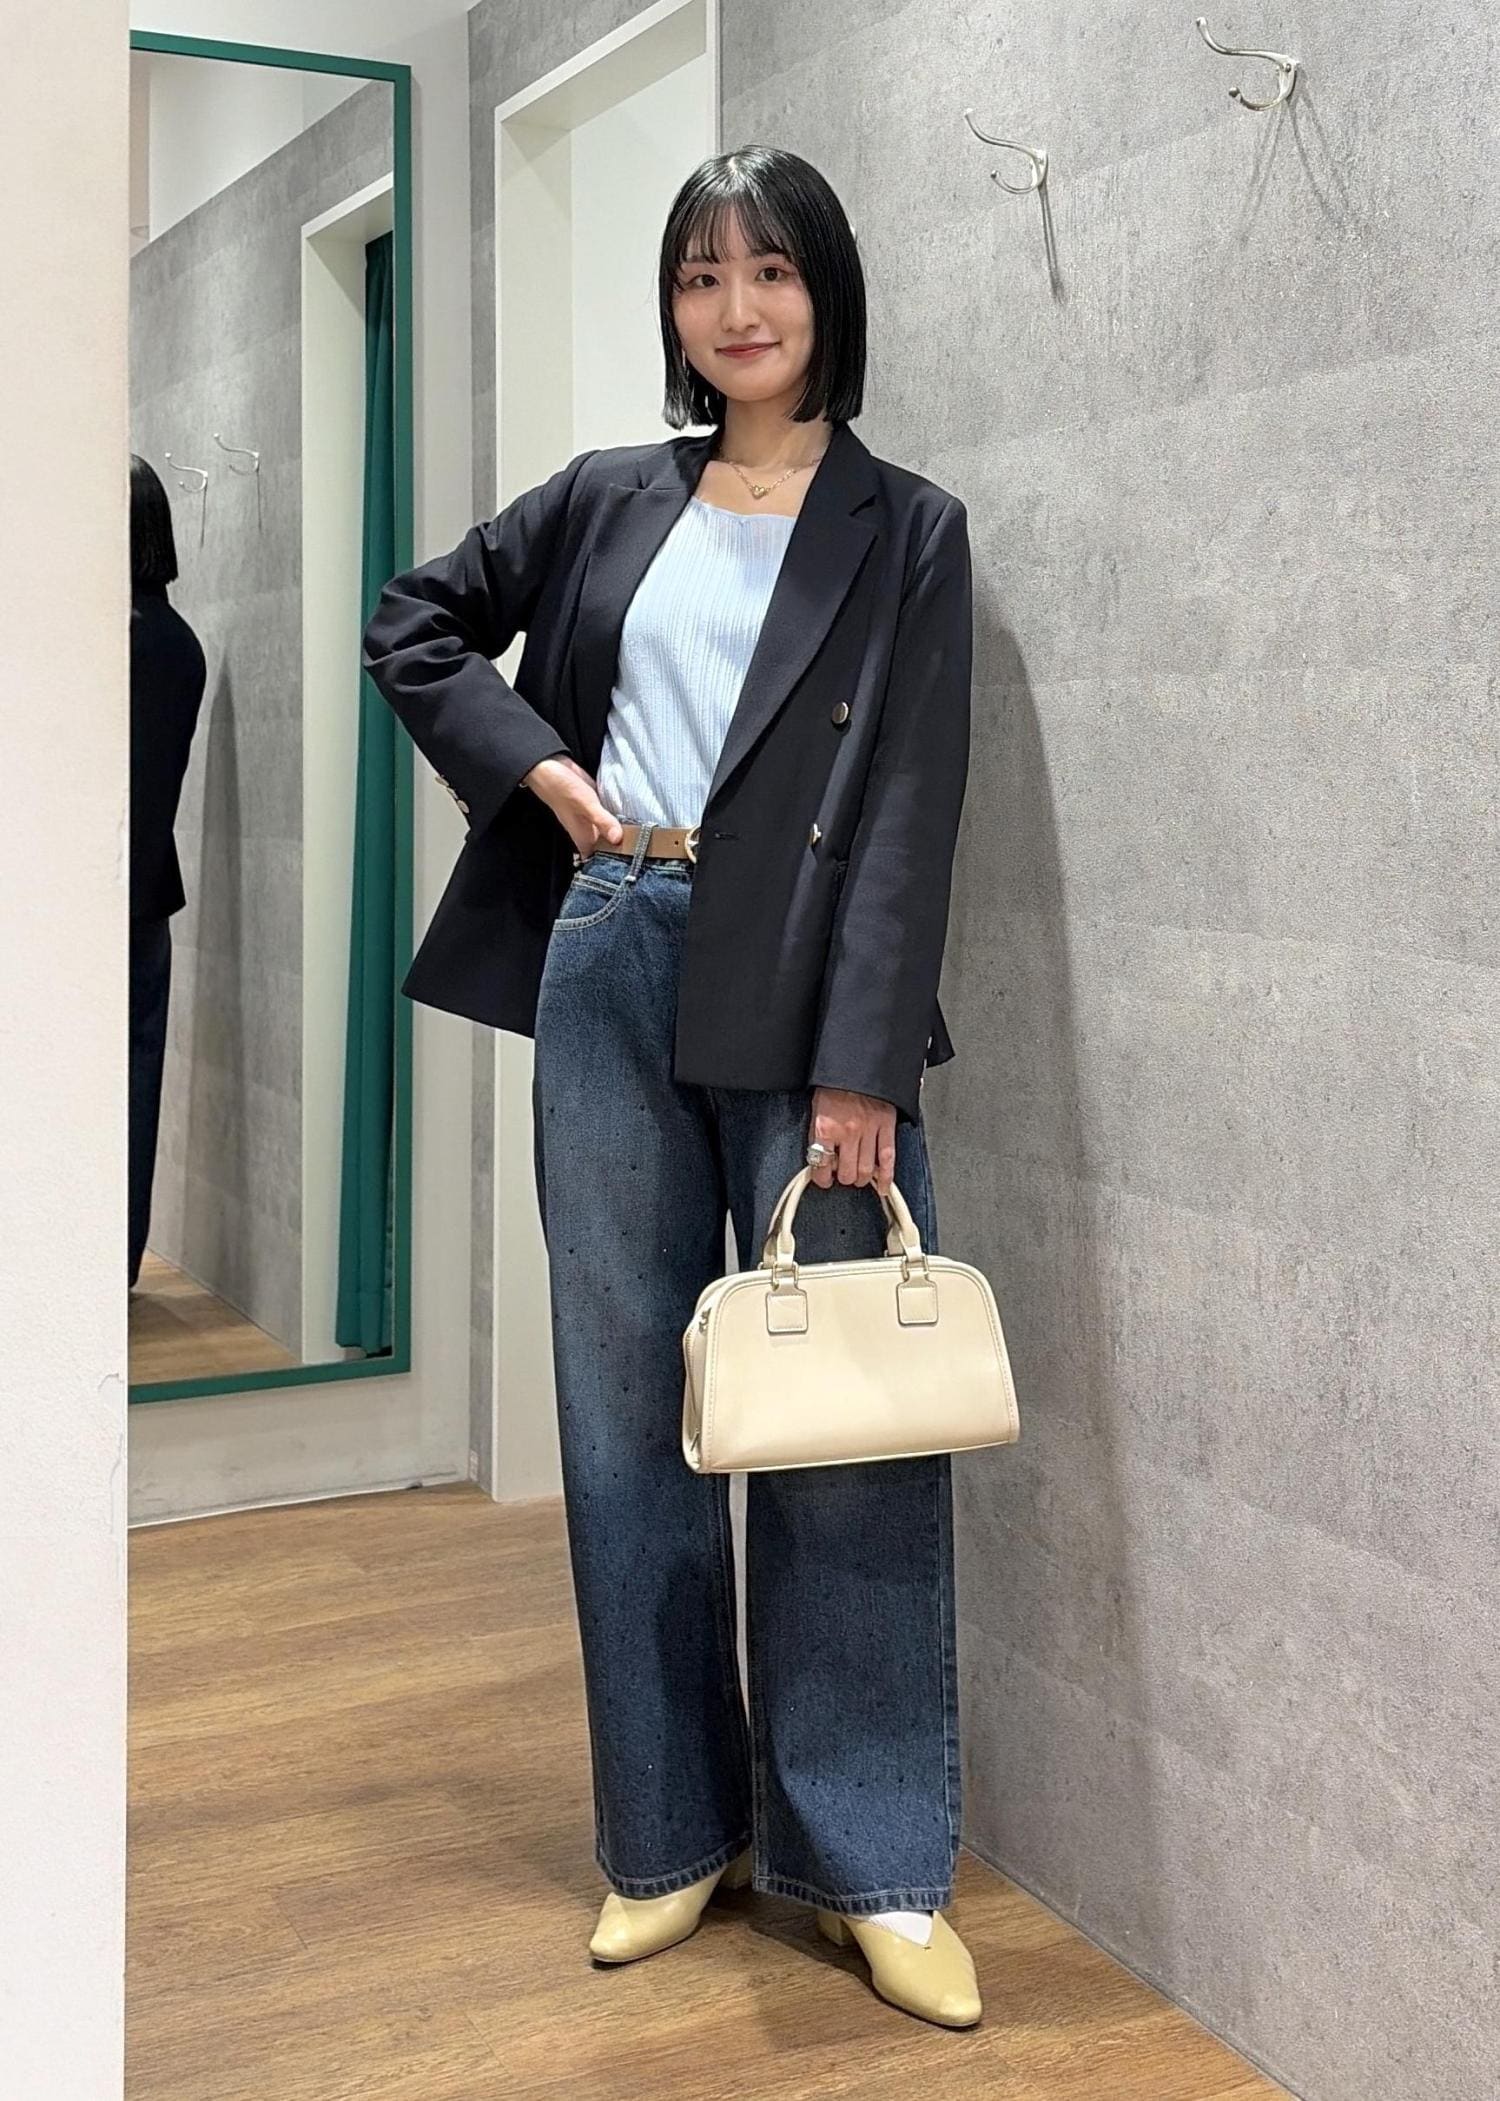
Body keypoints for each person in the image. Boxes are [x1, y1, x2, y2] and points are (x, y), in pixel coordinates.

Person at [361, 147, 979, 2028]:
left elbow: (910, 810)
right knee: (624, 1410)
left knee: (843, 1424)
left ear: (825, 291)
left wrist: (865, 1066)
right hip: (614, 941)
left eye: (769, 271)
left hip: (806, 987)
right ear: (675, 310)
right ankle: (666, 1834)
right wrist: (540, 770)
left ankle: (874, 1863)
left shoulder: (907, 527)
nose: (737, 310)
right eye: (703, 277)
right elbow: (416, 621)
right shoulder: (610, 495)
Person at [128, 455, 206, 1291]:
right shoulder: (181, 644)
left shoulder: (109, 642)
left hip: (94, 899)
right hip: (148, 893)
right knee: (137, 1075)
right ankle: (119, 1254)